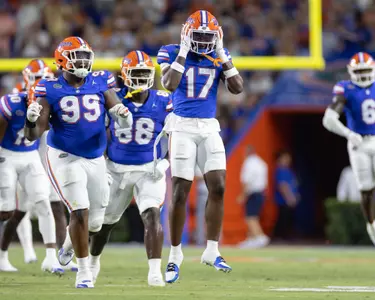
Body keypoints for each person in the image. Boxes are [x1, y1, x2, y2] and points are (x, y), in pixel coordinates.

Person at [24, 36, 133, 288]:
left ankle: (69, 244)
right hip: (65, 156)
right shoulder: (49, 88)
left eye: (86, 56)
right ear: (63, 60)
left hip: (95, 157)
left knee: (95, 222)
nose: (83, 62)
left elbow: (118, 113)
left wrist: (121, 114)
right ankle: (83, 272)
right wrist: (30, 120)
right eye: (77, 57)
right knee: (79, 210)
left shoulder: (99, 80)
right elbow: (33, 135)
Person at [157, 10, 243, 283]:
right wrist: (183, 52)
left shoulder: (219, 53)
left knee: (218, 185)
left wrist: (224, 56)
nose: (204, 41)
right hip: (181, 125)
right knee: (181, 190)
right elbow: (169, 84)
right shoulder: (170, 51)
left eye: (209, 36)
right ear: (186, 34)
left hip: (208, 125)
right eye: (198, 36)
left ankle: (212, 250)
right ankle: (174, 255)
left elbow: (238, 87)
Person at [89, 50, 172, 287]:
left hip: (149, 169)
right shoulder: (112, 98)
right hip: (116, 169)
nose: (141, 78)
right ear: (125, 75)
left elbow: (176, 134)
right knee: (105, 223)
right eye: (136, 73)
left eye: (145, 73)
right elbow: (98, 133)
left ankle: (155, 271)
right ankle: (94, 261)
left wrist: (166, 160)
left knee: (152, 214)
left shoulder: (165, 100)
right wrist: (100, 160)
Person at [1, 59, 77, 271]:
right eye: (36, 80)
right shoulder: (14, 99)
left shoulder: (54, 98)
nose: (40, 84)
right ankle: (5, 254)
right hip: (8, 155)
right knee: (10, 211)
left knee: (47, 205)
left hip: (35, 156)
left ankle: (53, 256)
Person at [323, 52, 375, 245]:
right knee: (366, 187)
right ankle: (371, 225)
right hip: (358, 142)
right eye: (359, 71)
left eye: (366, 70)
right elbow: (328, 119)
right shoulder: (346, 89)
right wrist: (348, 133)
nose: (362, 75)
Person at [237, 146, 269, 248]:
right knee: (254, 215)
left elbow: (247, 180)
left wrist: (242, 195)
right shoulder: (261, 163)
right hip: (261, 192)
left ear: (246, 153)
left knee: (251, 217)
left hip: (253, 193)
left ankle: (260, 237)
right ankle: (251, 239)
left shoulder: (249, 163)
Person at [273, 150, 299, 241]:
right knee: (283, 218)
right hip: (284, 200)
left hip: (290, 198)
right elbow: (282, 186)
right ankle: (281, 237)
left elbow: (293, 184)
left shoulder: (289, 170)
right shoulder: (281, 170)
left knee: (287, 218)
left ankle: (282, 236)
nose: (288, 160)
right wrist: (289, 198)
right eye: (285, 158)